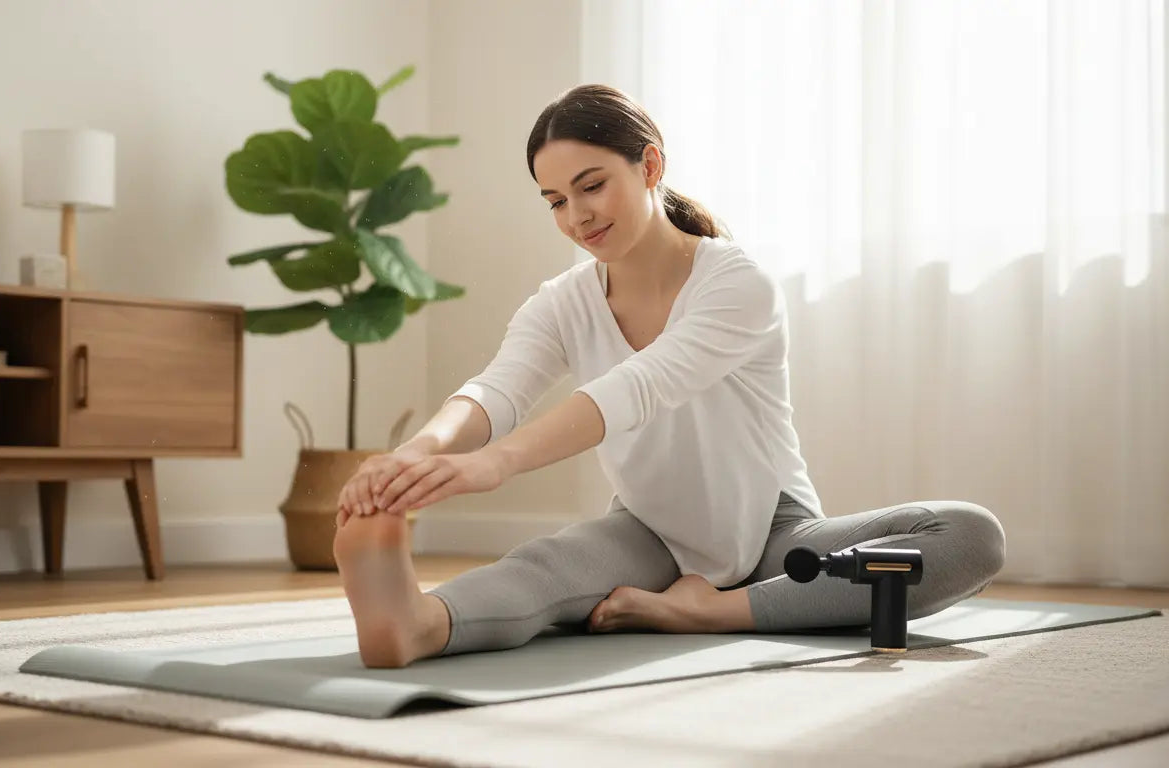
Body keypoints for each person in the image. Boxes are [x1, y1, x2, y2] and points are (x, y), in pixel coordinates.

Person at [333, 84, 1006, 669]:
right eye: (556, 201)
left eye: (592, 185)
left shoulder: (737, 282)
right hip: (648, 527)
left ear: (650, 165)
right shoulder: (562, 300)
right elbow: (497, 388)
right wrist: (413, 454)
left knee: (970, 534)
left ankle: (714, 612)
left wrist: (495, 466)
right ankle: (419, 625)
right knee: (545, 569)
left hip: (774, 535)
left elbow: (638, 388)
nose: (577, 216)